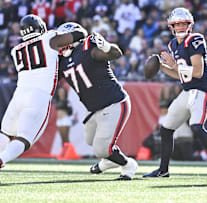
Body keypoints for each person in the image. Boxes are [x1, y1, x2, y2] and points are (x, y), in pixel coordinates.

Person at [143, 7, 207, 178]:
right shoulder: (173, 44)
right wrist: (162, 67)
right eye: (177, 24)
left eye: (184, 24)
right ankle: (163, 170)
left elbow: (197, 72)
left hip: (202, 91)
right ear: (171, 27)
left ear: (190, 25)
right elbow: (180, 75)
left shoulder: (195, 39)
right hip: (187, 90)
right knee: (166, 129)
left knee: (196, 127)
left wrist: (174, 66)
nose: (181, 27)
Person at [0, 14, 87, 168]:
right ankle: (2, 159)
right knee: (25, 139)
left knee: (5, 133)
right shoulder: (50, 39)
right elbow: (80, 34)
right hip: (38, 96)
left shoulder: (16, 50)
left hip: (18, 95)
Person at [57, 22, 137, 180]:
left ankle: (128, 165)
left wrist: (107, 47)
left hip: (113, 103)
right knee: (90, 141)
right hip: (93, 108)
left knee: (101, 149)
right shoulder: (63, 61)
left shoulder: (87, 48)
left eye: (64, 38)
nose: (61, 42)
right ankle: (108, 162)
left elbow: (115, 54)